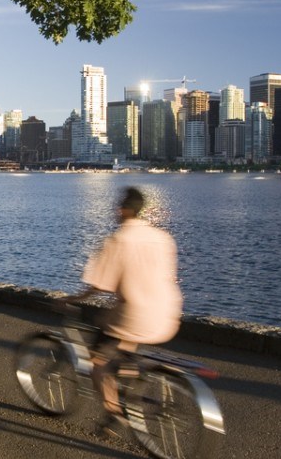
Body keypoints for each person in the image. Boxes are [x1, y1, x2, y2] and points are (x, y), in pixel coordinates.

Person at [68, 187, 182, 437]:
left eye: (118, 207)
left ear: (124, 209)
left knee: (97, 361)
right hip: (168, 313)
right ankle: (130, 379)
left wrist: (72, 298)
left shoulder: (118, 240)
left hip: (135, 315)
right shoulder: (163, 237)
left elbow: (99, 285)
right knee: (124, 346)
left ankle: (114, 414)